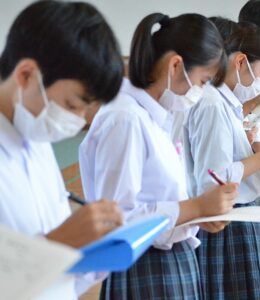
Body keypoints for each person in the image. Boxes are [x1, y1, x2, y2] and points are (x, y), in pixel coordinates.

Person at [79, 13, 238, 299]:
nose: (199, 92)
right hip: (144, 269)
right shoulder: (124, 118)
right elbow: (118, 220)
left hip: (167, 261)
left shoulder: (154, 116)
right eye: (202, 81)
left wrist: (196, 216)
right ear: (176, 65)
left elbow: (158, 200)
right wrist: (197, 208)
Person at [0, 1, 125, 298]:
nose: (78, 121)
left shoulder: (36, 141)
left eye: (86, 110)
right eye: (71, 105)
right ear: (27, 75)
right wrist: (58, 244)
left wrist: (93, 250)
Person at [184, 23, 260, 299]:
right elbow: (214, 177)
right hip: (225, 224)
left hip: (238, 218)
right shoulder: (211, 104)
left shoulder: (225, 103)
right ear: (241, 61)